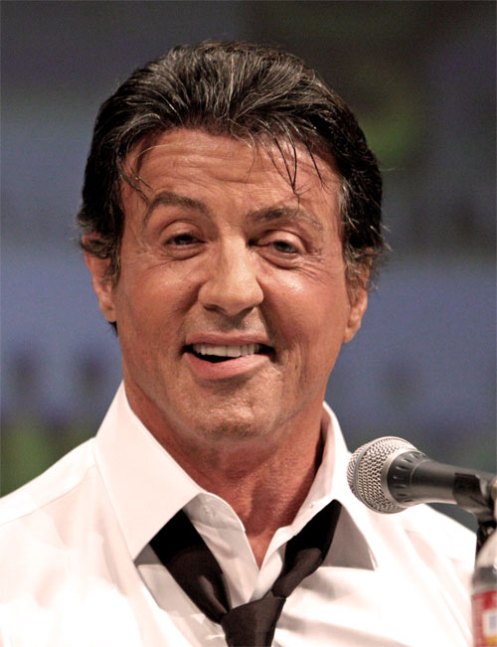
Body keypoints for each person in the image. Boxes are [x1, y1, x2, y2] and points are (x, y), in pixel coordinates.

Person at [0, 41, 475, 646]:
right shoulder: (10, 583)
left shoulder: (466, 597)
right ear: (105, 274)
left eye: (281, 245)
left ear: (356, 287)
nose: (231, 291)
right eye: (182, 239)